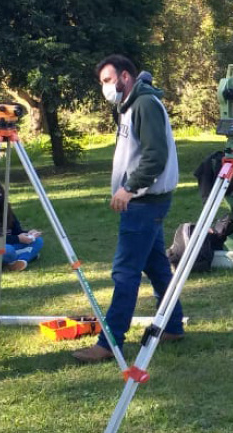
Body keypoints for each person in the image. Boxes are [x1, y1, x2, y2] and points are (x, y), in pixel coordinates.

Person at [73, 55, 183, 364]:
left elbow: (155, 156)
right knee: (157, 267)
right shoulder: (130, 105)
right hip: (146, 202)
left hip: (143, 203)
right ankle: (173, 326)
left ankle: (110, 343)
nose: (105, 88)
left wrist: (129, 188)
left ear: (125, 76)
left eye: (108, 81)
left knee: (125, 273)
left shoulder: (144, 105)